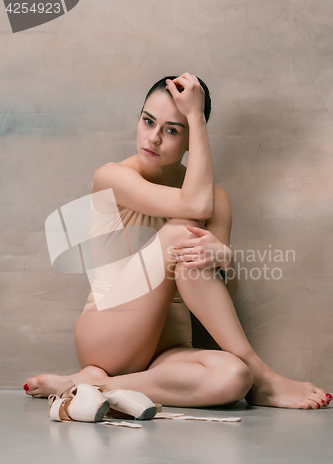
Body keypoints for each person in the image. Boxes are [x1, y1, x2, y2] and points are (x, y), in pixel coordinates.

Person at [24, 72, 331, 410]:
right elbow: (194, 206)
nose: (153, 138)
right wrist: (194, 116)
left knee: (232, 377)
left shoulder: (218, 200)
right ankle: (262, 374)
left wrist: (223, 259)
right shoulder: (113, 177)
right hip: (107, 337)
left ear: (191, 140)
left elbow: (216, 297)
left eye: (172, 130)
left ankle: (94, 385)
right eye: (147, 121)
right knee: (184, 232)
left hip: (166, 354)